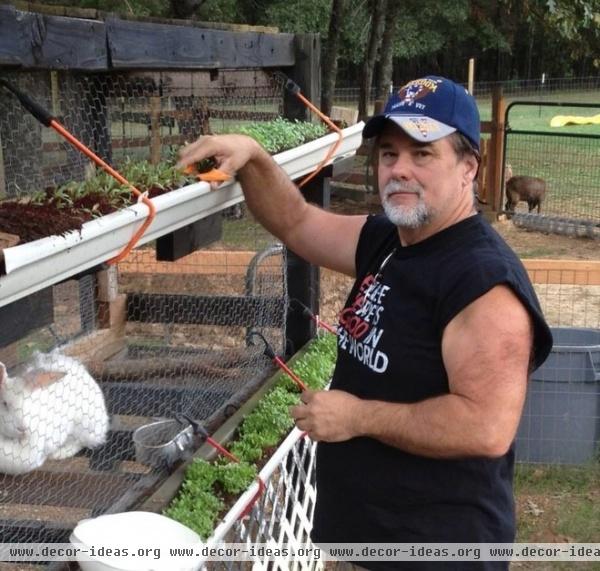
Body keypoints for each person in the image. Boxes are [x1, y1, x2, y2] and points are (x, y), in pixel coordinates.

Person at [178, 75, 553, 570]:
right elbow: (297, 223)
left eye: (422, 154)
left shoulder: (482, 283)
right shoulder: (390, 240)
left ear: (469, 168)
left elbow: (485, 427)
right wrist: (253, 155)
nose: (399, 170)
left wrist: (356, 417)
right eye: (389, 153)